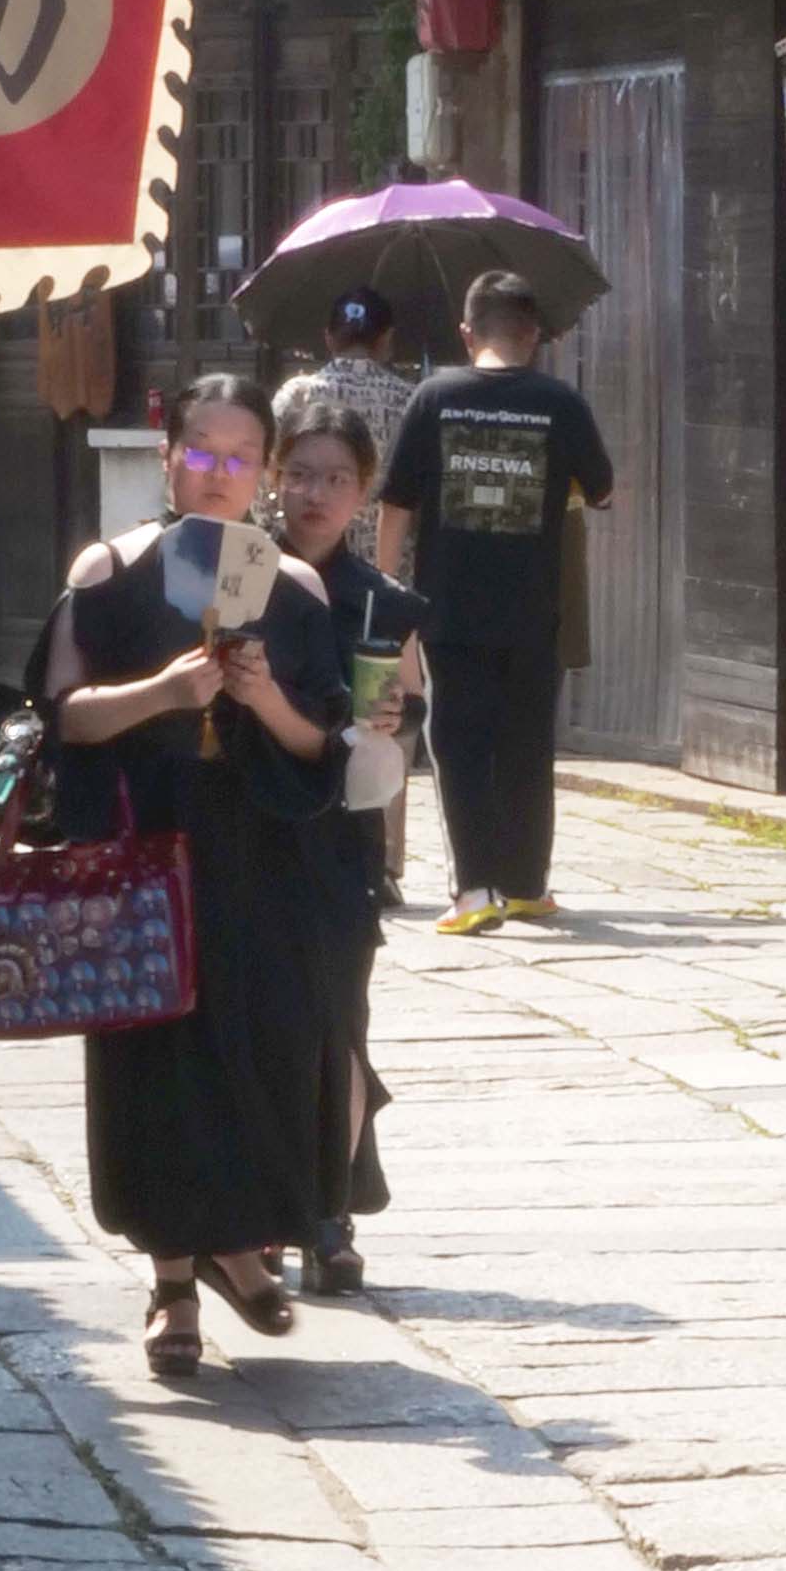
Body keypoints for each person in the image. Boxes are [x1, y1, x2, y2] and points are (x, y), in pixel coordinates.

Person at [40, 372, 363, 1379]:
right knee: (154, 1060)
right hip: (144, 847)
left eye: (240, 458)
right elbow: (60, 715)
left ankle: (239, 1243)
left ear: (262, 471)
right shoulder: (112, 569)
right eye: (202, 453)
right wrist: (163, 693)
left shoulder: (298, 589)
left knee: (263, 1049)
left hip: (260, 856)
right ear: (167, 452)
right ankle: (173, 1280)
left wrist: (262, 699)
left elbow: (323, 744)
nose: (220, 475)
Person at [374, 272, 611, 936]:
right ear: (532, 335)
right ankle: (528, 884)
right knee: (528, 746)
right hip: (536, 610)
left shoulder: (434, 398)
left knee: (458, 745)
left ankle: (474, 889)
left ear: (466, 332)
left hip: (449, 610)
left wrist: (385, 592)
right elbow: (602, 491)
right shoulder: (559, 403)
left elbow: (397, 504)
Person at [273, 386, 424, 1291]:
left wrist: (399, 717)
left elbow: (405, 732)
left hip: (340, 841)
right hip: (250, 821)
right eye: (299, 474)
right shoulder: (241, 576)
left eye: (335, 478)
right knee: (262, 1025)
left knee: (338, 1022)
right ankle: (260, 1208)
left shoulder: (381, 603)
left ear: (363, 491)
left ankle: (328, 1213)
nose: (315, 495)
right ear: (271, 481)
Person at [306, 293, 421, 556]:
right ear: (386, 340)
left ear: (329, 338)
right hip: (386, 565)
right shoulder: (411, 401)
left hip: (310, 558)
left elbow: (264, 485)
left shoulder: (297, 396)